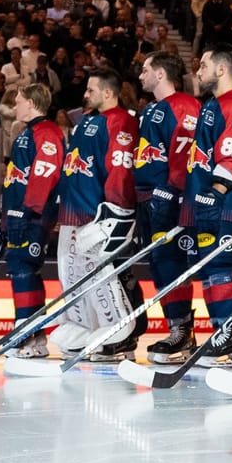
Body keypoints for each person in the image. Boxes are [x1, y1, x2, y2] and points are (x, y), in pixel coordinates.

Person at [49, 67, 140, 360]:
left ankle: (121, 336)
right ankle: (87, 328)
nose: (85, 94)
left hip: (98, 212)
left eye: (91, 90)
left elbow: (120, 170)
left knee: (102, 273)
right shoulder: (88, 120)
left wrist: (116, 210)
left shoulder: (122, 121)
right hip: (73, 209)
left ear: (108, 93)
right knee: (71, 272)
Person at [178, 43, 232, 363]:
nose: (198, 71)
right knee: (212, 269)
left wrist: (214, 191)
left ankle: (229, 336)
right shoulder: (212, 104)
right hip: (207, 201)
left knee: (222, 267)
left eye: (204, 66)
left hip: (226, 201)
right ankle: (225, 337)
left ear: (222, 70)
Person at [133, 51, 202, 363]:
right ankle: (177, 328)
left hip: (169, 199)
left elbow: (186, 153)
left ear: (161, 74)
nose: (140, 76)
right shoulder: (150, 110)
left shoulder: (185, 105)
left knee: (171, 262)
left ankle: (183, 331)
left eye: (146, 70)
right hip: (147, 198)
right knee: (159, 266)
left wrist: (171, 191)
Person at [0, 83, 63, 358]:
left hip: (33, 214)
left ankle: (24, 333)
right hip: (20, 212)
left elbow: (45, 173)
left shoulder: (46, 131)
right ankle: (34, 334)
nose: (15, 106)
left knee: (23, 267)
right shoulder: (28, 133)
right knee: (22, 268)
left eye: (18, 101)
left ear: (32, 103)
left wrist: (26, 210)